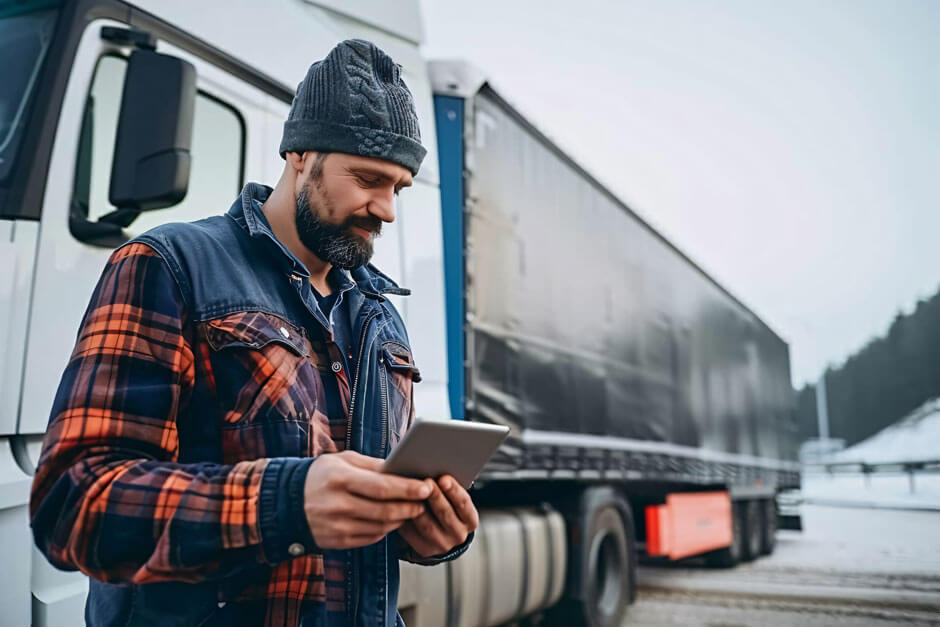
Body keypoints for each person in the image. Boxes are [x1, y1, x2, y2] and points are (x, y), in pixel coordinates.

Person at [29, 39, 476, 627]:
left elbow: (367, 523)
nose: (388, 209)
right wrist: (286, 503)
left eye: (399, 187)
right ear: (299, 153)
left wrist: (430, 530)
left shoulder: (379, 315)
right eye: (368, 178)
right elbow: (75, 505)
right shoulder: (168, 265)